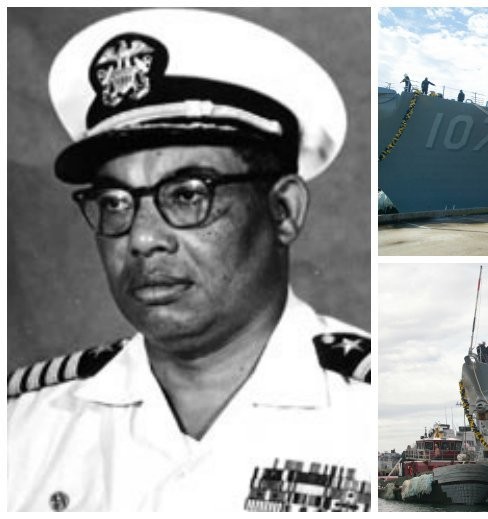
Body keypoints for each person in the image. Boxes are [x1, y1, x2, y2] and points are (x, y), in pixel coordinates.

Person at [7, 8, 371, 512]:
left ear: (283, 210)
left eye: (186, 195)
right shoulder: (23, 427)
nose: (141, 238)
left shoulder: (373, 412)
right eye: (115, 202)